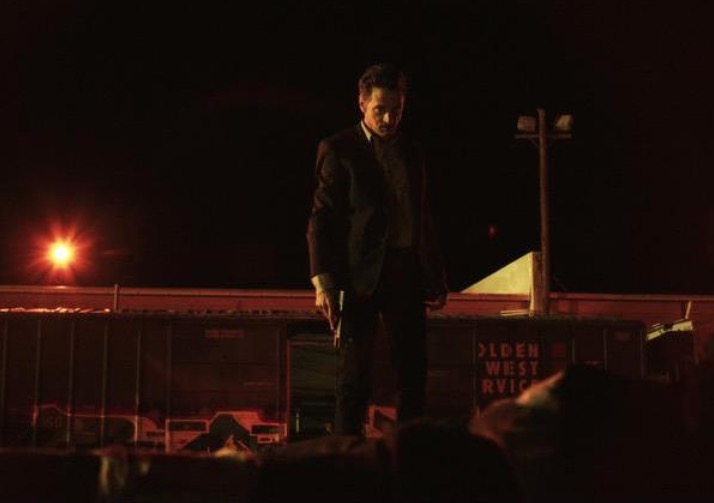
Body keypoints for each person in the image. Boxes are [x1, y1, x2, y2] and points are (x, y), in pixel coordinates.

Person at [306, 63, 448, 436]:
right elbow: (322, 217)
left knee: (413, 373)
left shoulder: (412, 151)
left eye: (396, 110)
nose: (388, 119)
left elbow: (422, 214)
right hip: (358, 277)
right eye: (379, 109)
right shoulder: (339, 149)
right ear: (362, 104)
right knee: (354, 377)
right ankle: (347, 457)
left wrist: (435, 274)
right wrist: (323, 281)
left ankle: (409, 453)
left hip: (405, 271)